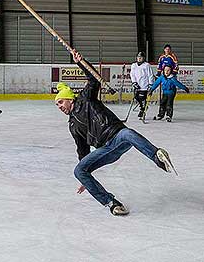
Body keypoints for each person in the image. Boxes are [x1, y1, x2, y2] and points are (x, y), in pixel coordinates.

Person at [54, 50, 177, 216]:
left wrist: (81, 62)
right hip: (104, 150)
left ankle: (158, 157)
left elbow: (93, 78)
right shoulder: (73, 126)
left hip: (116, 135)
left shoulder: (85, 98)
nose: (60, 106)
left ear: (69, 98)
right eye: (57, 105)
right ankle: (111, 202)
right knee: (78, 171)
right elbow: (82, 150)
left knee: (128, 134)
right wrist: (86, 173)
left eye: (60, 102)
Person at [130, 51, 155, 119]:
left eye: (140, 57)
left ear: (143, 58)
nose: (139, 58)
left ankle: (142, 109)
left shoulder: (147, 65)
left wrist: (150, 84)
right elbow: (132, 75)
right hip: (137, 86)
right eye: (138, 57)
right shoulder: (133, 65)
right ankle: (142, 105)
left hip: (144, 85)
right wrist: (134, 82)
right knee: (136, 97)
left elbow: (150, 75)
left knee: (142, 98)